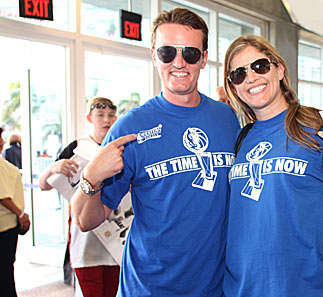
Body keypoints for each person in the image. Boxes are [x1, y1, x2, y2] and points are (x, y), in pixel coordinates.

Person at [71, 8, 240, 297]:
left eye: (190, 53)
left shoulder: (226, 118)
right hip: (149, 287)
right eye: (167, 53)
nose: (179, 63)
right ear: (153, 55)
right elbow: (86, 220)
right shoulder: (131, 127)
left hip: (216, 286)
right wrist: (91, 177)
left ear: (203, 58)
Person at [223, 34, 323, 297]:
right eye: (239, 74)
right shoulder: (240, 139)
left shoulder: (322, 125)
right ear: (234, 88)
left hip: (310, 287)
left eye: (259, 66)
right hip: (244, 288)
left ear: (279, 69)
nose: (251, 78)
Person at [39, 97, 120, 297]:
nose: (106, 120)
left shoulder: (119, 148)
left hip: (117, 236)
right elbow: (43, 184)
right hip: (85, 240)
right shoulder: (76, 148)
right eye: (100, 115)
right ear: (89, 118)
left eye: (110, 115)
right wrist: (53, 167)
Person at [0, 127, 30, 297]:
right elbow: (3, 196)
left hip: (7, 226)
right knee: (5, 274)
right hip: (5, 227)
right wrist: (21, 214)